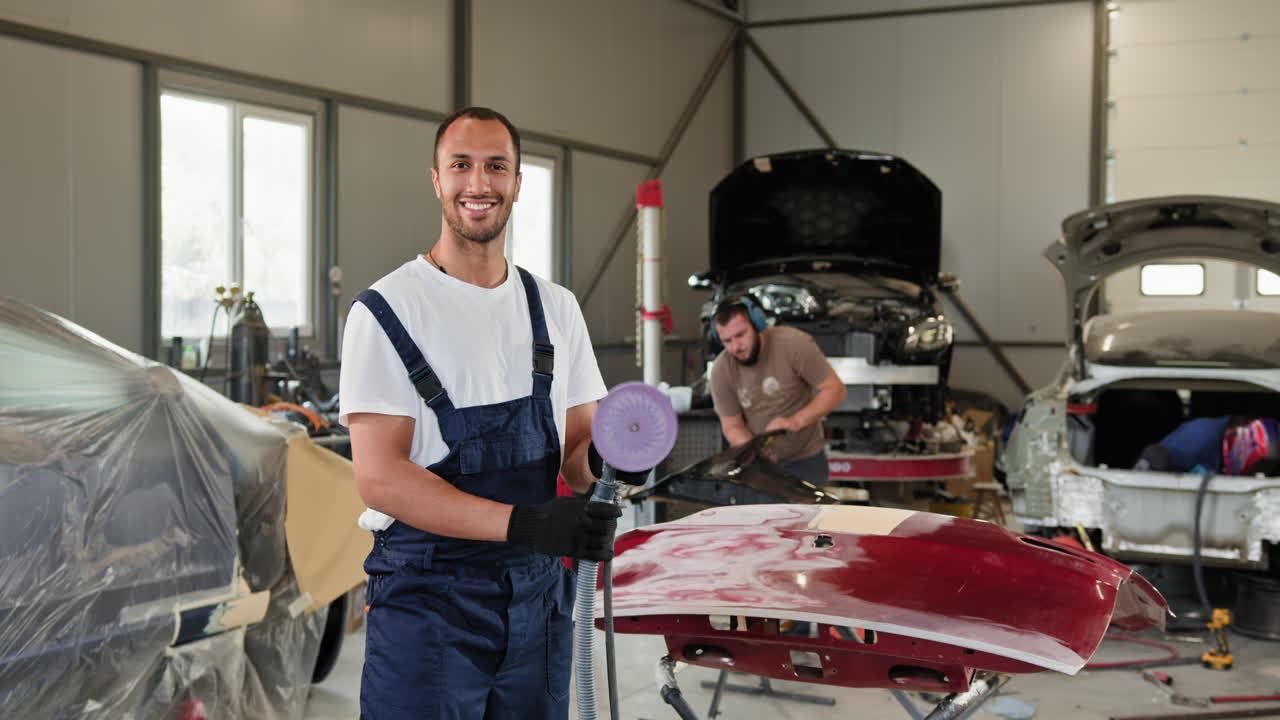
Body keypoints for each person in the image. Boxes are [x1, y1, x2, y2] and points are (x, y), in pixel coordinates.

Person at [339, 106, 626, 719]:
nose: (479, 184)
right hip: (426, 602)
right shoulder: (388, 310)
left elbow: (578, 456)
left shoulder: (555, 307)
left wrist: (609, 458)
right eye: (461, 165)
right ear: (437, 179)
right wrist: (525, 524)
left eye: (497, 166)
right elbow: (381, 478)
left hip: (538, 600)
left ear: (518, 182)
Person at [708, 296, 847, 484]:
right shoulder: (721, 370)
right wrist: (754, 452)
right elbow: (732, 426)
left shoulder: (793, 344)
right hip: (759, 465)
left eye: (740, 335)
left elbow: (835, 390)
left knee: (812, 514)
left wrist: (794, 421)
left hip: (806, 459)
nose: (736, 347)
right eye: (727, 341)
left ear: (757, 324)